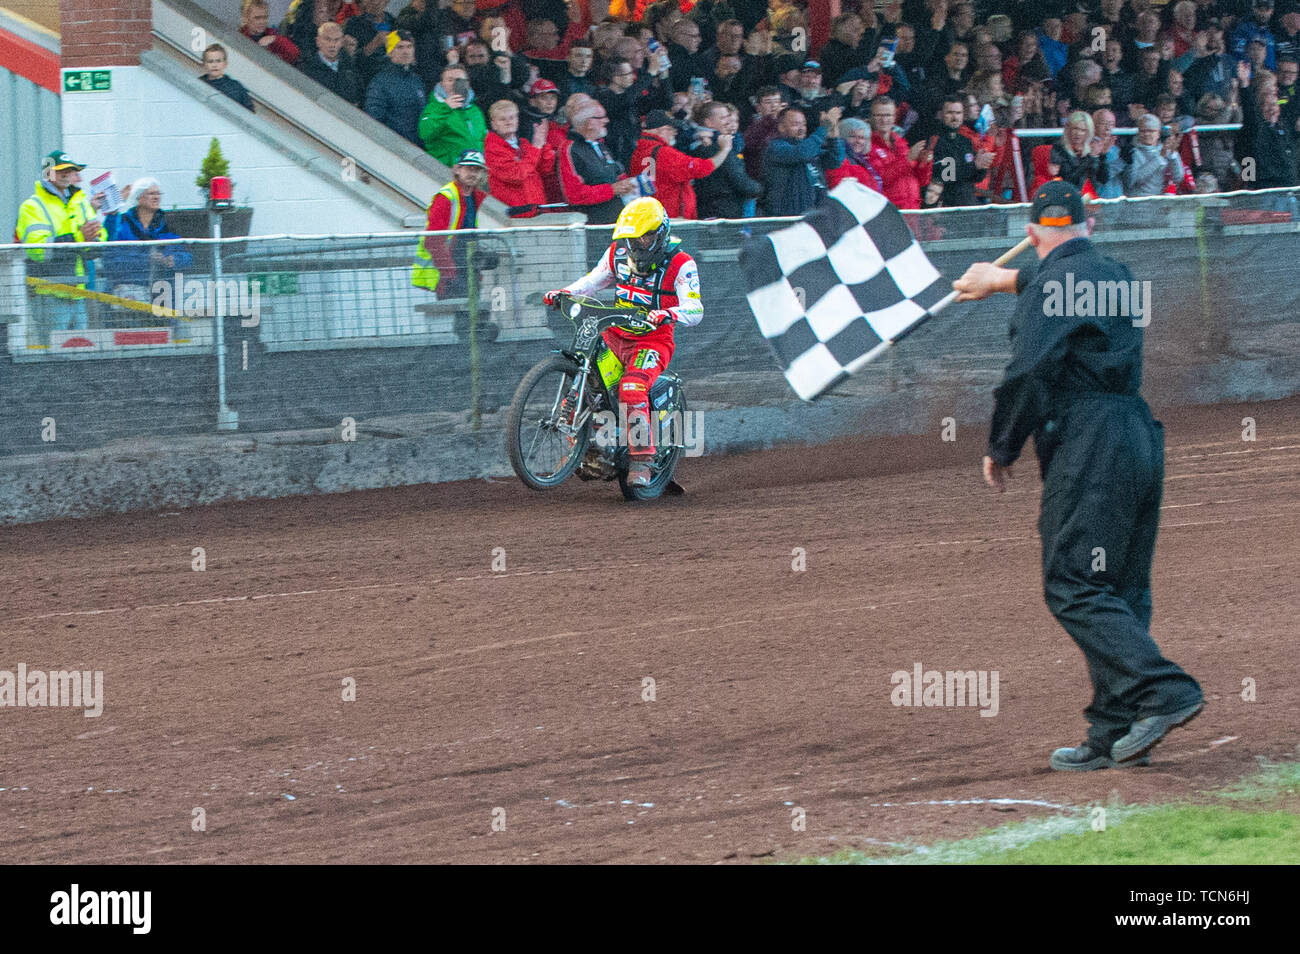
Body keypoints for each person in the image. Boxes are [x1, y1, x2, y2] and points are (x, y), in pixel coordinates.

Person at [952, 179, 1204, 771]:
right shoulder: (1119, 275)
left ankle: (1166, 693)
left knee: (1074, 584)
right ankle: (1117, 730)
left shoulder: (1050, 283)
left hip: (1088, 443)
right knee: (1119, 587)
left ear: (1033, 233)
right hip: (1138, 434)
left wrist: (1003, 445)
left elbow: (1029, 372)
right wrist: (1006, 282)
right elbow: (1074, 291)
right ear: (1090, 225)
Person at [542, 196, 702, 486]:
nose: (637, 244)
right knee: (588, 382)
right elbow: (592, 281)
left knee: (631, 388)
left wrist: (669, 313)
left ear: (661, 233)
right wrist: (564, 292)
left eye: (645, 236)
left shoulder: (682, 263)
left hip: (653, 342)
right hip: (614, 336)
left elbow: (695, 309)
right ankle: (583, 448)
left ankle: (642, 459)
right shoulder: (617, 253)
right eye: (631, 238)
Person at [15, 151, 107, 333]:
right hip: (49, 294)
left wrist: (93, 239)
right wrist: (79, 238)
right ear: (48, 174)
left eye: (71, 169)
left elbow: (100, 237)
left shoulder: (80, 203)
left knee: (81, 351)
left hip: (79, 293)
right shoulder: (31, 206)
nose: (67, 174)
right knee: (52, 356)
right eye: (61, 170)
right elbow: (38, 252)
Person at [411, 149, 496, 299]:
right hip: (450, 275)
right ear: (457, 169)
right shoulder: (446, 197)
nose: (474, 174)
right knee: (460, 318)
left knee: (474, 318)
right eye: (469, 168)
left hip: (466, 271)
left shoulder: (474, 197)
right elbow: (433, 241)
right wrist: (450, 274)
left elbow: (468, 236)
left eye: (478, 170)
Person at [104, 178, 194, 306]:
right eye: (151, 194)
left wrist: (173, 260)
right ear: (139, 198)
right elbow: (111, 260)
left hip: (163, 297)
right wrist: (146, 259)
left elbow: (188, 256)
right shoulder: (122, 224)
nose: (156, 197)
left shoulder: (168, 223)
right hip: (128, 299)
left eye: (158, 194)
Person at [629, 108, 732, 219]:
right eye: (671, 129)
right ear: (661, 130)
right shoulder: (664, 154)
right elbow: (701, 168)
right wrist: (725, 149)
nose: (674, 133)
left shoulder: (639, 152)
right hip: (672, 218)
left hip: (651, 215)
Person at [558, 98, 638, 224]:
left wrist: (629, 184)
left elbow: (616, 174)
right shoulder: (570, 149)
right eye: (601, 117)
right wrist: (611, 190)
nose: (607, 120)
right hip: (593, 224)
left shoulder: (600, 145)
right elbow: (574, 195)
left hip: (618, 219)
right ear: (589, 123)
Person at [762, 105, 845, 216]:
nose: (801, 128)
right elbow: (801, 153)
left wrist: (834, 138)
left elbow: (835, 161)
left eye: (804, 124)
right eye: (795, 124)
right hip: (788, 218)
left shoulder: (809, 146)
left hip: (816, 214)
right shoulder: (775, 147)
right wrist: (824, 127)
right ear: (781, 127)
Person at [484, 99, 554, 216]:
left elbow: (545, 168)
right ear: (493, 124)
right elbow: (516, 175)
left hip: (537, 211)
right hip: (516, 216)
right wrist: (536, 147)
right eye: (502, 119)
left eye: (512, 118)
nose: (508, 122)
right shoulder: (492, 149)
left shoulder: (524, 144)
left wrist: (543, 142)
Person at [419, 62, 489, 167]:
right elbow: (425, 133)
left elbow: (484, 140)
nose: (454, 84)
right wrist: (446, 108)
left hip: (475, 171)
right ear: (442, 83)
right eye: (450, 80)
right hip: (447, 170)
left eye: (459, 80)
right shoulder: (434, 107)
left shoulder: (475, 110)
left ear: (468, 84)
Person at [365, 30, 427, 144]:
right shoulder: (380, 83)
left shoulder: (416, 80)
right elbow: (374, 120)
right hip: (396, 149)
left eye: (409, 47)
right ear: (390, 52)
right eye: (400, 47)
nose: (405, 51)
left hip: (418, 148)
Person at [300, 20, 361, 106]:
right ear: (318, 41)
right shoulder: (305, 68)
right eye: (327, 39)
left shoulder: (351, 71)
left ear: (342, 42)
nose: (332, 45)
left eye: (336, 40)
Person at [1123, 113, 1185, 196]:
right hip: (1137, 200)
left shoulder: (1164, 148)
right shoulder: (1131, 151)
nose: (1147, 134)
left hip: (1158, 200)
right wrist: (1159, 158)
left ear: (1159, 133)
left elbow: (1178, 178)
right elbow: (1133, 181)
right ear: (1138, 132)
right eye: (1143, 131)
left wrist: (1173, 154)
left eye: (1151, 131)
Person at [241, 0, 300, 65]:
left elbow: (295, 54)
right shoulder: (240, 37)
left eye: (265, 17)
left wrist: (275, 39)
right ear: (246, 18)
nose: (262, 22)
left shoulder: (274, 37)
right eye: (257, 18)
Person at [199, 43, 255, 112]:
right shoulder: (198, 83)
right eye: (210, 61)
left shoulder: (236, 88)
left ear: (225, 64)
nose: (214, 65)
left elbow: (249, 114)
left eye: (218, 61)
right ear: (204, 64)